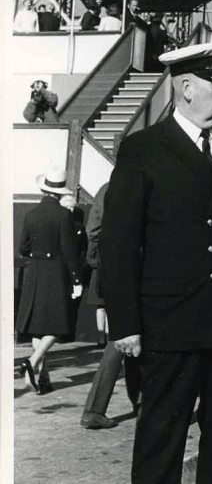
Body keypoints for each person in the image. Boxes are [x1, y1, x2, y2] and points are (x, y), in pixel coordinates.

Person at [100, 42, 212, 484]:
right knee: (162, 439)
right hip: (169, 324)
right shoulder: (144, 149)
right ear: (188, 87)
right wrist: (125, 323)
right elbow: (120, 242)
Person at [16, 167, 83, 395]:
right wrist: (76, 279)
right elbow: (69, 251)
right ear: (59, 192)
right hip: (56, 272)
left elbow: (22, 248)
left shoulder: (31, 214)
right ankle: (32, 362)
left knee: (38, 326)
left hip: (34, 272)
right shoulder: (64, 216)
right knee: (58, 323)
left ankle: (42, 378)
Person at [81, 182, 141, 430]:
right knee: (125, 336)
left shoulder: (106, 188)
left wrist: (99, 262)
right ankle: (96, 409)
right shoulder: (135, 188)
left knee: (126, 334)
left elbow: (92, 230)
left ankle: (134, 402)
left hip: (108, 269)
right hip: (134, 269)